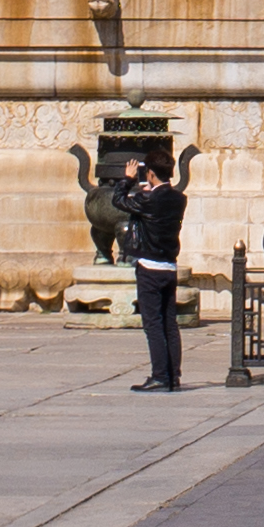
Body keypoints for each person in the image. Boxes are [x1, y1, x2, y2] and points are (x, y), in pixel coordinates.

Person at [117, 140, 190, 390]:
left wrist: (127, 180)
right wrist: (149, 190)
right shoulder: (179, 199)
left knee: (153, 324)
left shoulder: (146, 200)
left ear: (150, 173)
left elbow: (118, 200)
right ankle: (173, 375)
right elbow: (160, 202)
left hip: (149, 267)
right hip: (169, 266)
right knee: (170, 323)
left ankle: (160, 375)